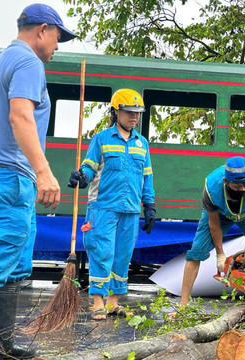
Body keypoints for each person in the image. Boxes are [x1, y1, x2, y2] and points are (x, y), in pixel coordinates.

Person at [0, 4, 77, 359]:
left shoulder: (2, 60)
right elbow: (20, 116)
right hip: (10, 175)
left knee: (13, 264)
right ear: (42, 30)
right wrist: (44, 170)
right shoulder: (28, 61)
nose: (58, 47)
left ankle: (0, 348)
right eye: (58, 37)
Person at [68, 88, 156, 321]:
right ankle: (97, 303)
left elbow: (147, 177)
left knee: (122, 255)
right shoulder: (102, 139)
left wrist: (149, 206)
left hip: (130, 209)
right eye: (129, 112)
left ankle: (112, 304)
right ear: (116, 112)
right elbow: (89, 167)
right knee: (101, 252)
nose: (134, 117)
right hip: (103, 207)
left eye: (138, 113)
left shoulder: (142, 144)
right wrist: (82, 177)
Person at [179, 156, 245, 305]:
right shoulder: (211, 188)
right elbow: (213, 223)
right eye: (238, 186)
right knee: (196, 251)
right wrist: (220, 254)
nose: (243, 188)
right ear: (226, 182)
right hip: (220, 214)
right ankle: (183, 304)